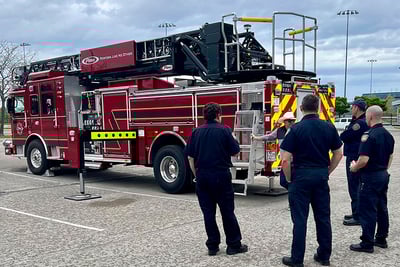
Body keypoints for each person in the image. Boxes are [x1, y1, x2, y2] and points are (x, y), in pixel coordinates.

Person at [280, 94, 343, 267]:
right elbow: (339, 153)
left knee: (300, 220)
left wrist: (288, 178)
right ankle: (324, 255)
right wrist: (328, 170)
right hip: (321, 176)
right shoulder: (329, 127)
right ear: (319, 108)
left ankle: (297, 259)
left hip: (300, 177)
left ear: (301, 108)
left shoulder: (295, 129)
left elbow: (285, 159)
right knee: (323, 217)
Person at [185, 102, 248, 256]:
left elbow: (191, 157)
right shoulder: (225, 130)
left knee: (208, 213)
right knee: (227, 211)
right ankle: (233, 245)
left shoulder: (196, 132)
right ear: (219, 114)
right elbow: (235, 152)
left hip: (202, 176)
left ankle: (212, 246)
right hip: (221, 175)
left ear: (204, 116)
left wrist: (196, 176)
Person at [349, 105, 394, 253]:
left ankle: (367, 242)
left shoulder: (368, 135)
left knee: (367, 208)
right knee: (382, 206)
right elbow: (390, 157)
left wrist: (354, 167)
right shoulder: (388, 135)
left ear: (370, 117)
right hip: (383, 174)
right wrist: (383, 170)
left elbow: (363, 159)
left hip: (370, 176)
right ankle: (381, 238)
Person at [340, 99, 369, 226]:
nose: (351, 109)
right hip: (355, 156)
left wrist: (345, 132)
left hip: (354, 157)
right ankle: (356, 211)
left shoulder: (360, 123)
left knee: (354, 186)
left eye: (352, 107)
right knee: (355, 186)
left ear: (356, 108)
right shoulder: (358, 121)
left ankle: (358, 216)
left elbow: (345, 136)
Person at [252, 111, 296, 189]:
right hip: (285, 162)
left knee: (292, 182)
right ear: (285, 122)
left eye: (293, 121)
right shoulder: (279, 131)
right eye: (289, 121)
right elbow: (269, 136)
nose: (291, 123)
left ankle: (293, 191)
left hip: (295, 162)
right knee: (283, 182)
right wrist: (256, 138)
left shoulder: (296, 130)